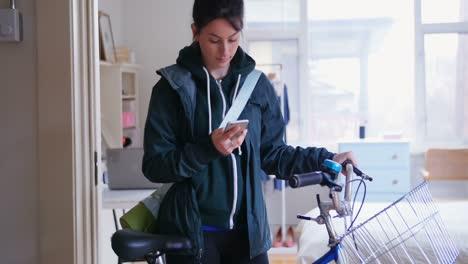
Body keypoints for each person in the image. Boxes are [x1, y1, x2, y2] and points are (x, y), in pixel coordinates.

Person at [142, 0, 357, 263]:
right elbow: (155, 166)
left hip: (248, 235)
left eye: (233, 40)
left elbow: (273, 155)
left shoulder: (257, 85)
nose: (225, 51)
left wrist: (327, 158)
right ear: (195, 32)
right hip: (192, 234)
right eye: (214, 40)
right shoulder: (172, 88)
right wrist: (209, 148)